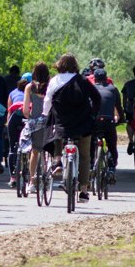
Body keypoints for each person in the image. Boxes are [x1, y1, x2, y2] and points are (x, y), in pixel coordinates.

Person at [45, 54, 101, 203]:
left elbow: (48, 100)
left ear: (59, 65)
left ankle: (57, 161)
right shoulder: (83, 80)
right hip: (82, 123)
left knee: (56, 134)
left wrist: (45, 114)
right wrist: (92, 114)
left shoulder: (55, 80)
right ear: (75, 65)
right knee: (84, 156)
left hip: (62, 123)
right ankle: (83, 190)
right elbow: (97, 98)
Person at [20, 63, 51, 194]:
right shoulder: (51, 86)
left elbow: (25, 110)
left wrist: (31, 117)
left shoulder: (29, 87)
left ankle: (32, 182)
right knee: (49, 149)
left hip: (35, 123)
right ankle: (48, 172)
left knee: (35, 150)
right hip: (50, 122)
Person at [90, 68, 121, 182]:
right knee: (112, 145)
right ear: (106, 77)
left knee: (91, 143)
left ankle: (90, 165)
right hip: (109, 121)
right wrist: (121, 119)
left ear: (95, 78)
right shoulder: (113, 89)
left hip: (95, 121)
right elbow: (118, 107)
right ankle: (112, 168)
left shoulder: (91, 88)